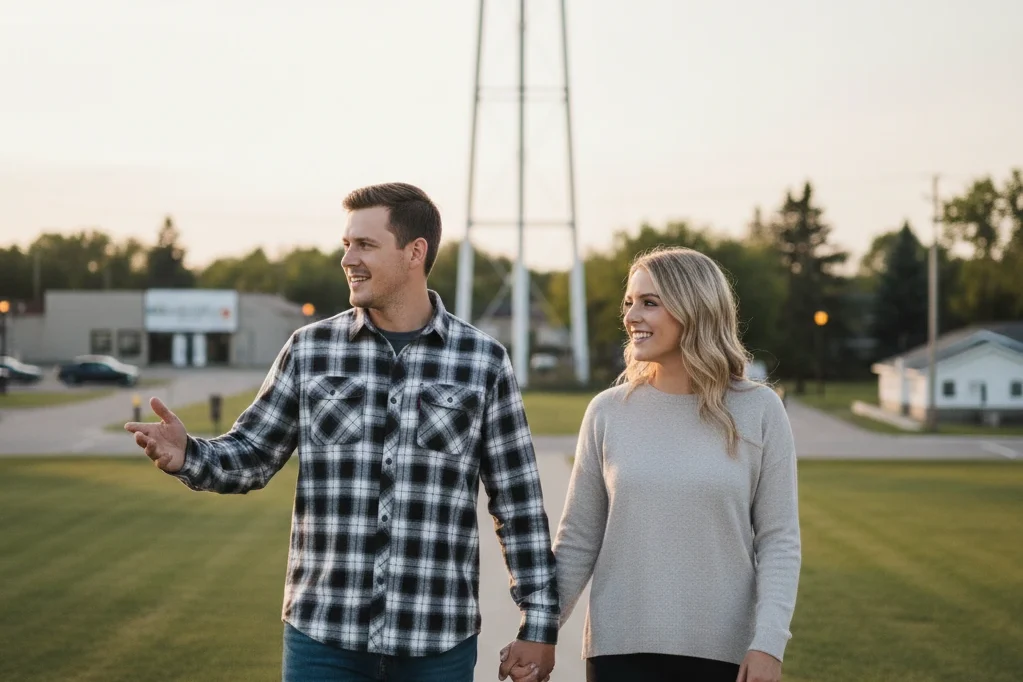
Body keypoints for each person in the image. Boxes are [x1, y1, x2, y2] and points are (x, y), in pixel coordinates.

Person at [125, 182, 559, 682]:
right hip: (323, 641)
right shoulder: (310, 350)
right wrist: (190, 456)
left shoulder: (482, 362)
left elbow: (519, 505)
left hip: (436, 643)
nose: (347, 258)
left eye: (365, 245)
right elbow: (253, 454)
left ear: (415, 252)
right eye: (346, 244)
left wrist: (539, 622)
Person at [505, 246, 801, 682]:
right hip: (618, 652)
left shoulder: (759, 411)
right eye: (630, 302)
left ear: (694, 308)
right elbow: (578, 540)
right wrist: (539, 631)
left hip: (725, 655)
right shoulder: (608, 411)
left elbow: (779, 541)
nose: (631, 316)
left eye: (649, 302)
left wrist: (769, 644)